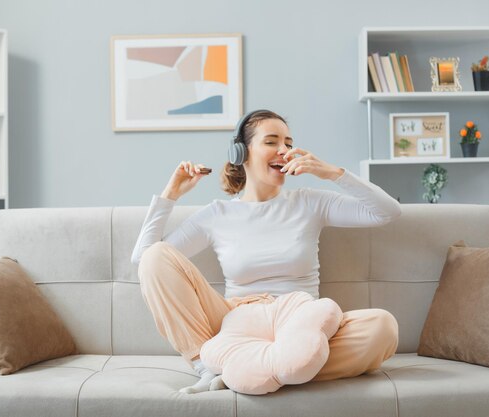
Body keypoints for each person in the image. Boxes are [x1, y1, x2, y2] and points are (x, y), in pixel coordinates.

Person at [131, 109, 401, 394]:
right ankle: (208, 367)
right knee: (156, 256)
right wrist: (170, 194)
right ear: (241, 153)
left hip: (299, 322)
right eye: (271, 142)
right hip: (234, 323)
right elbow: (144, 261)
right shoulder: (217, 214)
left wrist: (331, 173)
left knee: (382, 327)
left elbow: (387, 213)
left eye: (288, 142)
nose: (284, 150)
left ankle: (242, 371)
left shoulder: (309, 202)